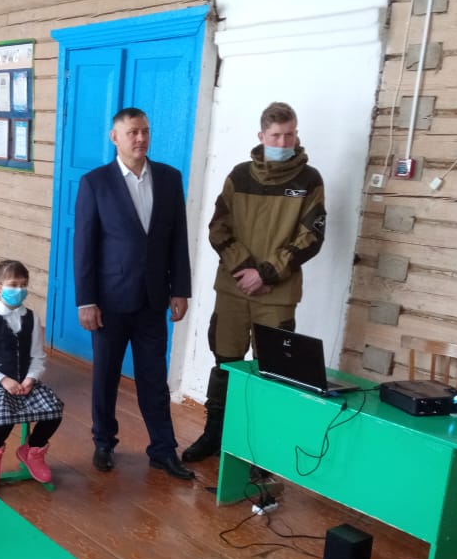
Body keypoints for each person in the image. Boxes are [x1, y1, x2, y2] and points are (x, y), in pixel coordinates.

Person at [182, 101, 327, 462]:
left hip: (277, 295)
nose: (283, 142)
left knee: (273, 372)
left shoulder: (309, 180)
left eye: (289, 134)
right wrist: (245, 270)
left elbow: (311, 236)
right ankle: (214, 435)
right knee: (225, 364)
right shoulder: (239, 176)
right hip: (233, 291)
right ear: (262, 136)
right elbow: (219, 228)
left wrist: (265, 274)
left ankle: (261, 452)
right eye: (276, 135)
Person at [73, 107, 194, 480]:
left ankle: (163, 449)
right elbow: (84, 247)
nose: (140, 138)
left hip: (153, 300)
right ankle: (104, 441)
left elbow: (178, 239)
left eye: (144, 131)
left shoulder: (169, 179)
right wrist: (86, 300)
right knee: (106, 376)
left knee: (154, 378)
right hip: (109, 301)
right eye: (132, 133)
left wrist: (180, 289)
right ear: (115, 138)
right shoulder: (95, 183)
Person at [0, 259, 64, 487]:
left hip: (26, 382)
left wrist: (31, 378)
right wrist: (3, 380)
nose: (19, 290)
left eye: (23, 285)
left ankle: (32, 450)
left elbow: (38, 356)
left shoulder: (31, 318)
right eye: (13, 285)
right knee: (3, 415)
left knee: (54, 411)